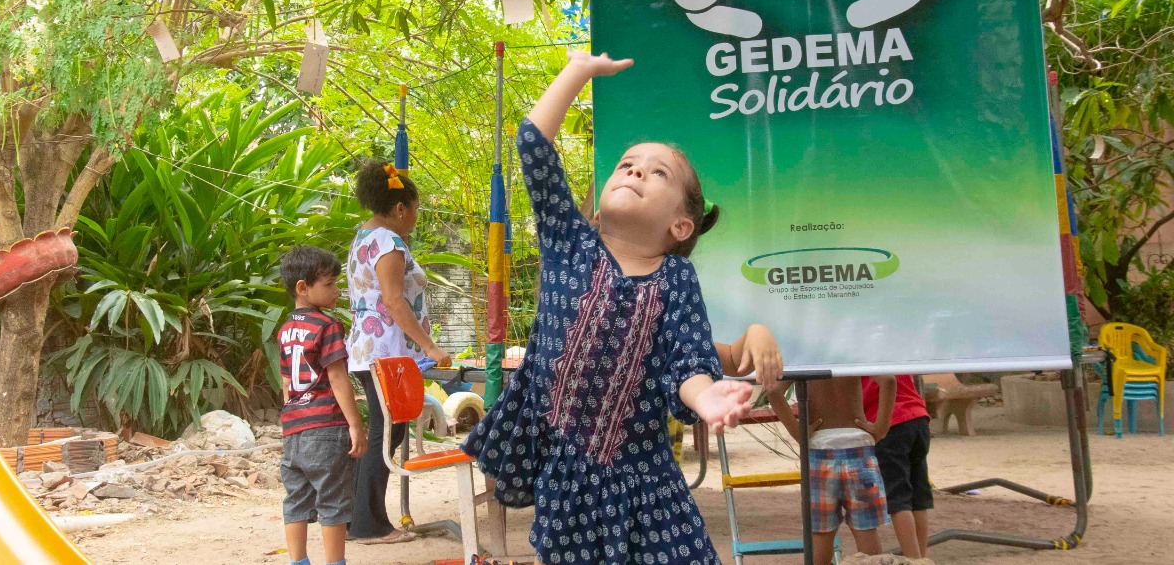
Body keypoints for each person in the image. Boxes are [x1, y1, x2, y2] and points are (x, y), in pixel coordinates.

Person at [463, 50, 762, 564]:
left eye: (657, 173)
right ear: (599, 208)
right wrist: (578, 70)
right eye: (627, 165)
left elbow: (686, 360)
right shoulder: (569, 241)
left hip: (648, 482)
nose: (635, 172)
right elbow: (533, 144)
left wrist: (708, 398)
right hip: (568, 480)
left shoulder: (675, 278)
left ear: (681, 226)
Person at [345, 160, 451, 544]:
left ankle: (355, 517)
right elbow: (393, 301)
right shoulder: (388, 242)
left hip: (367, 348)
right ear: (401, 208)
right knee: (387, 434)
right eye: (416, 210)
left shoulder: (362, 236)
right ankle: (369, 525)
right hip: (385, 351)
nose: (416, 219)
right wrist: (430, 346)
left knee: (385, 431)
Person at [277, 246, 368, 565]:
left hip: (294, 429)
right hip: (327, 428)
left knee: (296, 500)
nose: (336, 290)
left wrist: (291, 422)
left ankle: (298, 561)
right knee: (333, 501)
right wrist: (355, 424)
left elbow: (287, 384)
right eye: (329, 284)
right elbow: (339, 377)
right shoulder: (327, 326)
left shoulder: (285, 331)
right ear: (303, 287)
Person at [768, 376, 896, 565]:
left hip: (820, 451)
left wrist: (798, 432)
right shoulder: (851, 351)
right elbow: (889, 381)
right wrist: (881, 427)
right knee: (866, 530)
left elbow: (773, 391)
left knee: (821, 533)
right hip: (858, 448)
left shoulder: (804, 355)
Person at [862, 375, 933, 559]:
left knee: (898, 499)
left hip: (889, 423)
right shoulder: (891, 348)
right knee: (918, 496)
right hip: (918, 417)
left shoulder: (855, 354)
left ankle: (913, 559)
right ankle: (921, 558)